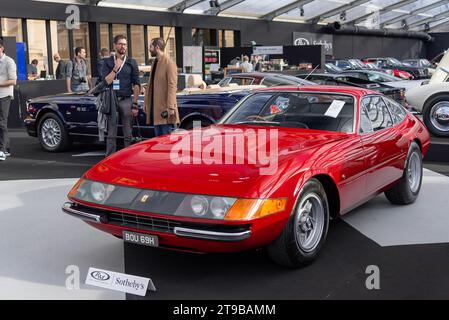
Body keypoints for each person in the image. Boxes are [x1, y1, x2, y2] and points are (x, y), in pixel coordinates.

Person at [102, 35, 140, 156]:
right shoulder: (107, 62)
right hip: (112, 100)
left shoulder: (131, 62)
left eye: (125, 44)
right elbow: (106, 81)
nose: (123, 46)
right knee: (111, 133)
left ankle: (128, 157)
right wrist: (115, 68)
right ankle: (109, 158)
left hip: (126, 99)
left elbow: (137, 84)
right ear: (114, 45)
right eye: (120, 44)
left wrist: (134, 104)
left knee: (128, 133)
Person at [143, 37, 179, 137]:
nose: (149, 49)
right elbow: (150, 85)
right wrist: (146, 102)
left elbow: (172, 86)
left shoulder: (169, 63)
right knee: (158, 139)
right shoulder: (155, 62)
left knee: (166, 140)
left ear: (157, 47)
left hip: (165, 109)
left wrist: (171, 107)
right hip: (155, 109)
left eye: (151, 46)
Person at [0, 40, 17, 161]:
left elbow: (13, 81)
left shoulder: (9, 61)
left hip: (4, 95)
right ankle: (6, 148)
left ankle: (3, 150)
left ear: (1, 48)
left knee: (1, 122)